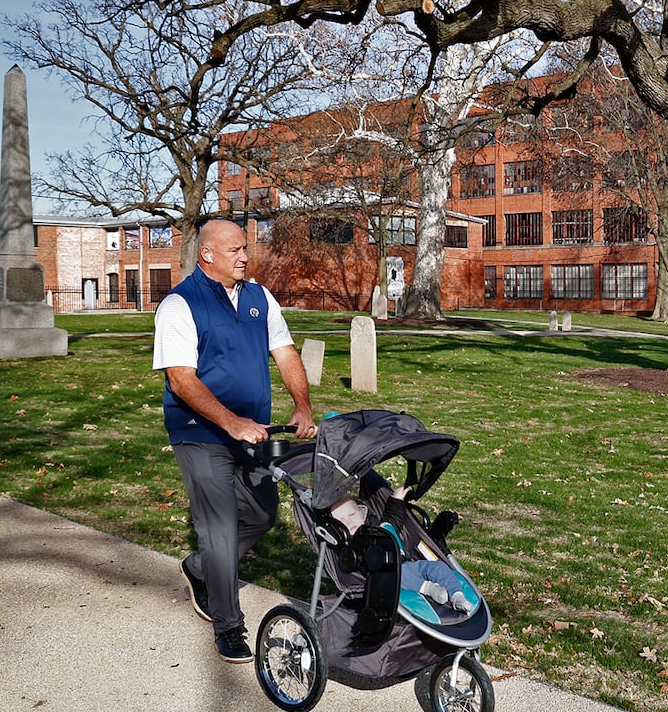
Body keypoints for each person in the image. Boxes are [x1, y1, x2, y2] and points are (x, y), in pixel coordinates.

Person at [152, 219, 317, 663]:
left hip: (252, 431)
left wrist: (301, 405)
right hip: (200, 432)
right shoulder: (179, 305)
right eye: (235, 250)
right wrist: (229, 422)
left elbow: (284, 353)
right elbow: (181, 380)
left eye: (246, 248)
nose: (245, 256)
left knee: (262, 515)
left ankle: (200, 568)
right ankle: (229, 627)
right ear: (207, 255)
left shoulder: (260, 298)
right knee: (220, 529)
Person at [330, 487, 473, 613]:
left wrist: (397, 498)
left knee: (438, 566)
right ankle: (429, 588)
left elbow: (393, 518)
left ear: (362, 514)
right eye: (342, 520)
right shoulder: (350, 546)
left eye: (352, 515)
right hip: (388, 574)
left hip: (410, 564)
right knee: (401, 576)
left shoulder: (380, 527)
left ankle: (456, 595)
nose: (349, 521)